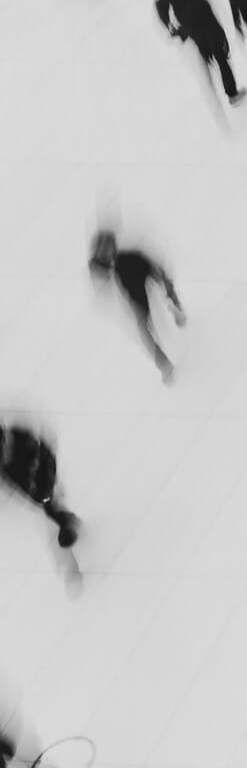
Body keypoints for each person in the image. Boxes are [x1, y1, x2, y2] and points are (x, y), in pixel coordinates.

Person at [90, 226, 187, 381]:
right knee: (143, 330)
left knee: (165, 291)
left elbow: (155, 269)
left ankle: (175, 307)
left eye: (107, 248)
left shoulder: (127, 258)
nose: (105, 253)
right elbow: (99, 270)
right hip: (136, 294)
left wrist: (163, 282)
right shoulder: (108, 263)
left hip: (142, 276)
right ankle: (164, 365)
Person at [1, 419, 82, 591]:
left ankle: (71, 570)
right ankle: (68, 522)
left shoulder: (25, 442)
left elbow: (47, 456)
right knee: (54, 517)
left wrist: (45, 489)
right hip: (40, 495)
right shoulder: (6, 459)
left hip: (47, 489)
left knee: (52, 527)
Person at [156, 0, 244, 107]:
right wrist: (223, 40)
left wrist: (179, 34)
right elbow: (212, 21)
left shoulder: (168, 4)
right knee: (222, 62)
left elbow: (173, 24)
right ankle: (232, 94)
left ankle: (214, 93)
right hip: (212, 34)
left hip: (197, 38)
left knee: (209, 63)